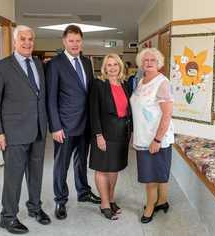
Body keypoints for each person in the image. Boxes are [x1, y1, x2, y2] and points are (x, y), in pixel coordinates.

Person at [0, 25, 50, 234]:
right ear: (14, 42)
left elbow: (39, 97)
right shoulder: (1, 67)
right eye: (22, 39)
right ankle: (7, 217)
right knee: (13, 177)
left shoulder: (38, 65)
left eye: (30, 39)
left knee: (36, 174)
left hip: (38, 130)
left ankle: (34, 207)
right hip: (13, 133)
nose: (27, 43)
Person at [46, 25, 101, 220]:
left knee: (81, 161)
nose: (75, 44)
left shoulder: (86, 62)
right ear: (64, 42)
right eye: (71, 41)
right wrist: (55, 126)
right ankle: (61, 199)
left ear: (82, 42)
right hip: (65, 126)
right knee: (62, 164)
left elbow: (89, 93)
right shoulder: (55, 64)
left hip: (85, 124)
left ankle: (83, 191)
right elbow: (50, 98)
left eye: (78, 40)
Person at [130, 48, 174, 224]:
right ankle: (162, 201)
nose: (148, 63)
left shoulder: (162, 82)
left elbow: (167, 114)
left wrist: (157, 139)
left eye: (152, 60)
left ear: (159, 63)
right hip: (143, 136)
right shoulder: (141, 81)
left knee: (151, 176)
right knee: (159, 172)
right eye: (145, 60)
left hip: (156, 138)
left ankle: (150, 207)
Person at [89, 54, 132, 220]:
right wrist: (98, 135)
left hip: (122, 133)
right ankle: (104, 203)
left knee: (114, 168)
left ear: (120, 66)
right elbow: (94, 112)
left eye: (115, 64)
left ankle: (111, 199)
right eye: (109, 65)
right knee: (102, 168)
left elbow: (129, 110)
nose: (112, 68)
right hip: (105, 133)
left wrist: (132, 131)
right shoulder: (99, 85)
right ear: (104, 68)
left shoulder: (125, 84)